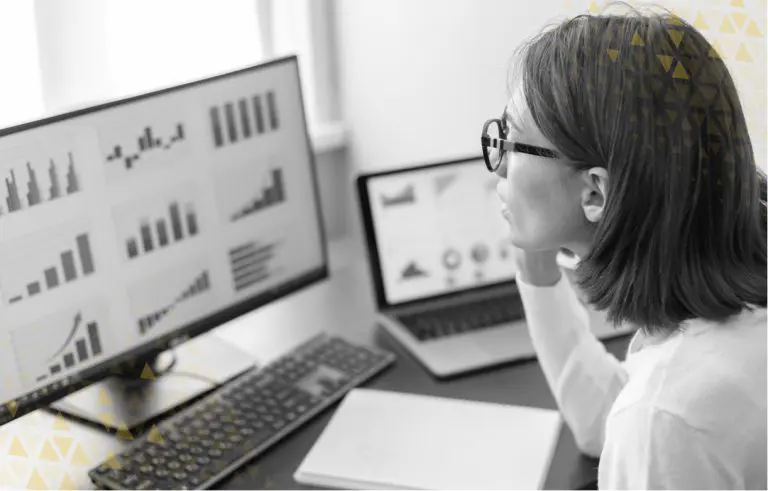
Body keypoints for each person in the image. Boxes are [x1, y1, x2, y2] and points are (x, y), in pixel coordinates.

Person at [482, 6, 767, 489]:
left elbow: (651, 425)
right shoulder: (733, 308)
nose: (498, 165)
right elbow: (609, 426)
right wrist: (537, 273)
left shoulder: (667, 416)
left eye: (511, 140)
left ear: (596, 193)